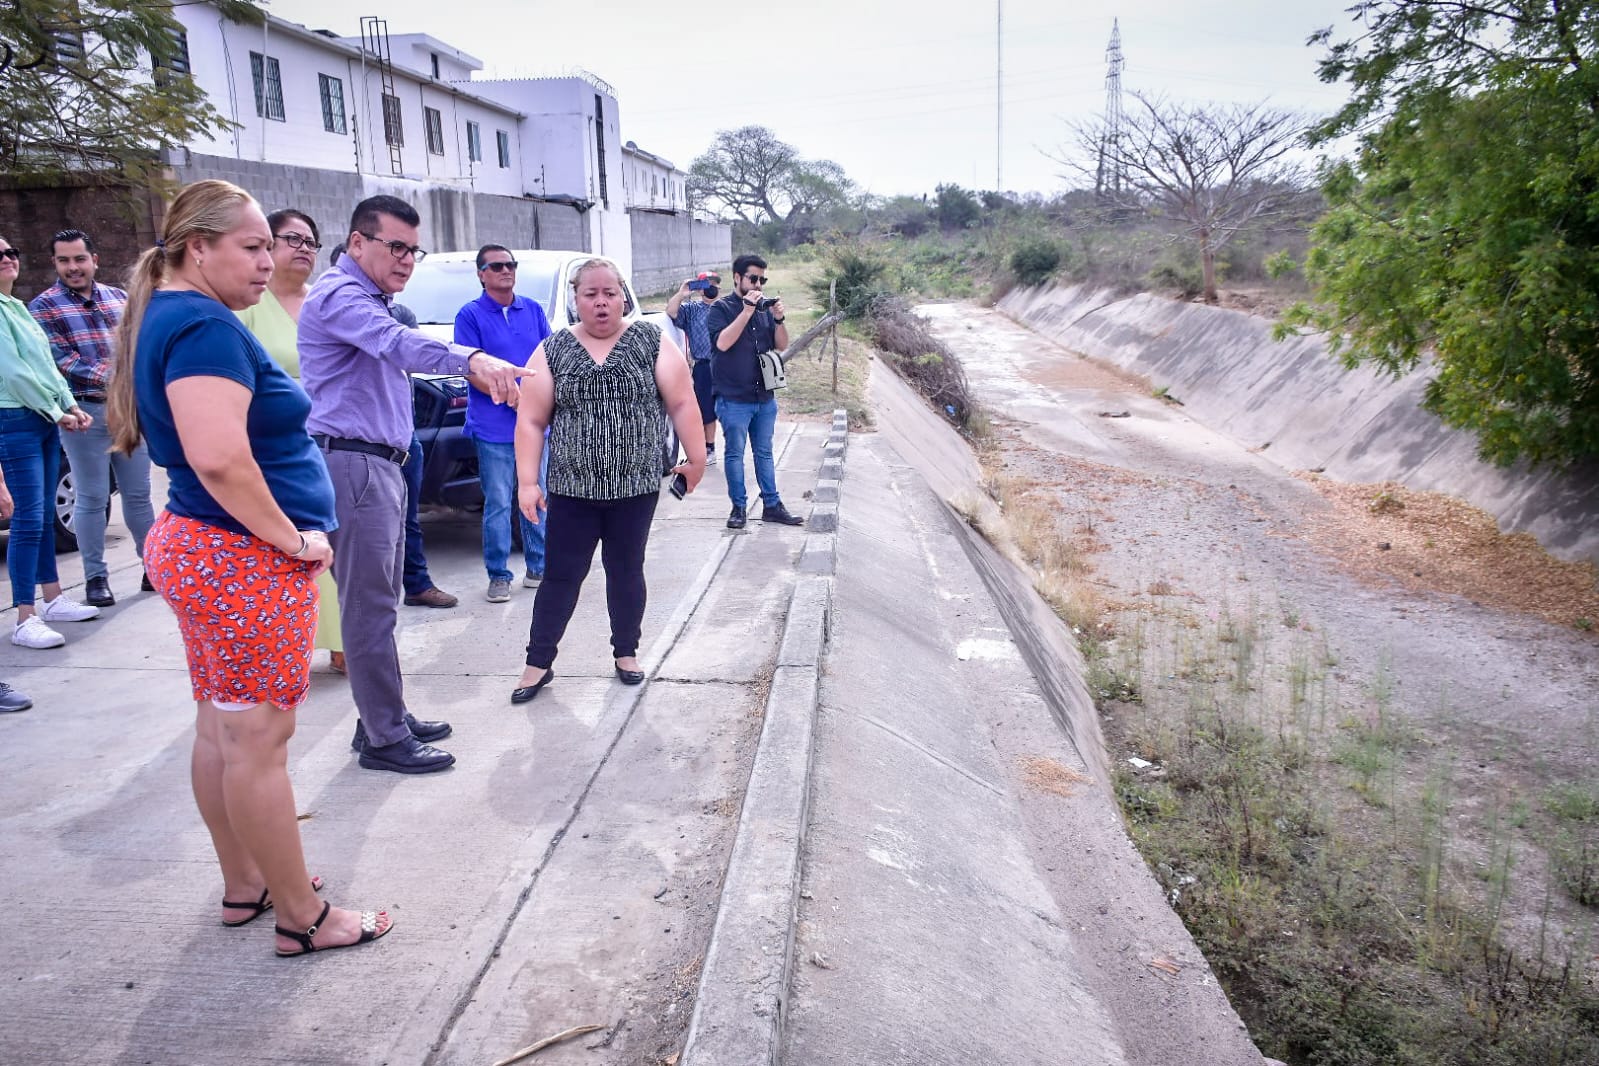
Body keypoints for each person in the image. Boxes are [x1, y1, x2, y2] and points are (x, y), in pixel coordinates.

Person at [108, 178, 391, 955]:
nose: (270, 261)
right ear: (198, 248)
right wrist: (292, 540)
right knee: (258, 744)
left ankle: (247, 883)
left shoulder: (172, 313)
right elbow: (222, 458)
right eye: (253, 245)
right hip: (236, 556)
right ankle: (303, 917)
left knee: (223, 732)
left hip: (204, 547)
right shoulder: (203, 326)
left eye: (272, 245)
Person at [299, 195, 524, 774]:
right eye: (394, 246)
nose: (405, 260)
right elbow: (397, 344)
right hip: (355, 464)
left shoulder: (370, 298)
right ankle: (383, 737)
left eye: (412, 250)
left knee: (383, 602)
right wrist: (471, 358)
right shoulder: (341, 296)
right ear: (357, 243)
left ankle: (380, 714)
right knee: (370, 605)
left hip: (381, 463)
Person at [510, 258, 706, 704]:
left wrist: (696, 459)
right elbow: (531, 420)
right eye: (590, 295)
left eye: (610, 294)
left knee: (625, 570)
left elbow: (682, 403)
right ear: (576, 300)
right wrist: (527, 481)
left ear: (623, 296)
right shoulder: (553, 348)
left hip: (634, 489)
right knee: (562, 575)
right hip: (571, 491)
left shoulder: (651, 341)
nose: (601, 303)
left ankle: (626, 653)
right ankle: (537, 663)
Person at [236, 209, 345, 674]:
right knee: (288, 545)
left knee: (336, 542)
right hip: (274, 447)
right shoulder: (244, 308)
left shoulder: (324, 302)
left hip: (337, 438)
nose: (304, 248)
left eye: (311, 241)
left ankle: (343, 643)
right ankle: (289, 643)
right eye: (292, 239)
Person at [327, 240, 457, 612]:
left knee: (405, 517)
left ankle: (415, 584)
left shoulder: (398, 313)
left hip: (402, 436)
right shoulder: (329, 312)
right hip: (353, 446)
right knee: (358, 534)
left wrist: (474, 363)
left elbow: (405, 350)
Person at [28, 228, 156, 607]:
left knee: (138, 495)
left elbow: (139, 344)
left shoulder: (120, 299)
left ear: (94, 260)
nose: (73, 267)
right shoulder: (43, 307)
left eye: (80, 259)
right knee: (91, 497)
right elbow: (59, 361)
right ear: (55, 263)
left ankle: (153, 568)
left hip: (129, 411)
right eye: (64, 260)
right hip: (83, 412)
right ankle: (96, 578)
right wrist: (115, 376)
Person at [0, 234, 101, 649]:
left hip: (39, 417)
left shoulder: (16, 307)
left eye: (10, 252)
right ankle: (25, 616)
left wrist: (66, 405)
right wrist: (56, 409)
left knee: (41, 515)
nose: (6, 259)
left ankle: (53, 597)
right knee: (27, 519)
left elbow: (44, 365)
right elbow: (14, 373)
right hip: (14, 419)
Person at [454, 244, 551, 602]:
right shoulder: (470, 315)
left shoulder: (533, 310)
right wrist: (513, 397)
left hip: (536, 426)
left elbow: (548, 358)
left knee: (537, 495)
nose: (506, 271)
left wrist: (536, 403)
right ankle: (498, 575)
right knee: (497, 502)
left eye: (510, 265)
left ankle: (539, 567)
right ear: (481, 274)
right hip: (493, 428)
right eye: (496, 266)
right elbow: (471, 368)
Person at [707, 254, 805, 529]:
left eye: (762, 280)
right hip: (733, 398)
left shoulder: (764, 309)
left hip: (764, 396)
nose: (758, 285)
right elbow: (722, 344)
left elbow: (781, 345)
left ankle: (772, 505)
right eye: (753, 278)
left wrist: (779, 318)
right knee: (735, 454)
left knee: (764, 453)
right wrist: (746, 311)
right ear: (737, 278)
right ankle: (738, 507)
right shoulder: (720, 309)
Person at [667, 276, 720, 465]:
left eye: (714, 284)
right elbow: (671, 312)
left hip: (726, 364)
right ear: (699, 289)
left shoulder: (727, 307)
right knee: (704, 409)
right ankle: (708, 448)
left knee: (730, 407)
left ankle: (733, 450)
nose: (711, 288)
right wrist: (681, 294)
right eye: (706, 284)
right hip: (704, 366)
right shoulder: (692, 310)